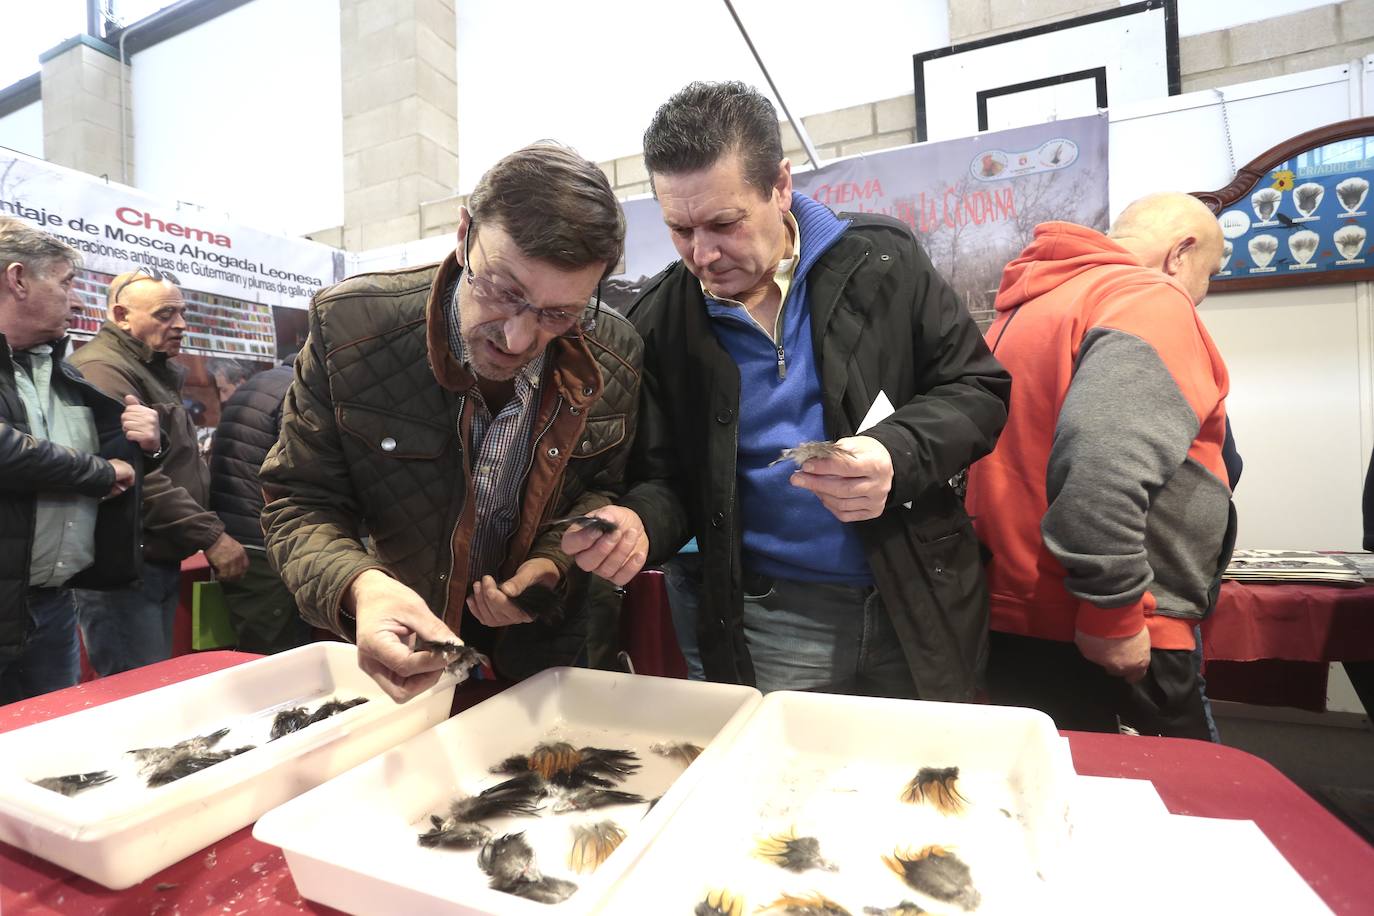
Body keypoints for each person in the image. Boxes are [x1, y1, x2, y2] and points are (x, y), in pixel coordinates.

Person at [563, 81, 1011, 699]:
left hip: (918, 588)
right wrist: (639, 520)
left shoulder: (883, 262)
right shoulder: (661, 321)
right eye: (679, 230)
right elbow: (668, 480)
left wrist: (895, 453)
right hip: (767, 620)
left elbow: (976, 389)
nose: (703, 253)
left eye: (724, 223)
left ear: (779, 186)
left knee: (924, 777)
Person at [260, 143, 641, 702]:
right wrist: (361, 588)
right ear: (465, 234)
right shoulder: (351, 327)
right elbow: (298, 499)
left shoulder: (615, 353)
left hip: (544, 655)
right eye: (503, 290)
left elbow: (602, 488)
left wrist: (552, 564)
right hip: (400, 649)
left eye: (559, 314)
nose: (517, 339)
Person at [965, 192, 1235, 739]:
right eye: (1208, 275)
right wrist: (1112, 614)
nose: (1200, 296)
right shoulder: (1147, 297)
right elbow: (1102, 463)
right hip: (1107, 621)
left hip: (1020, 611)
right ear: (1180, 253)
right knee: (1175, 806)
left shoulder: (1030, 307)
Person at [0, 218, 161, 701]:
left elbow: (120, 469)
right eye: (66, 282)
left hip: (52, 607)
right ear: (18, 279)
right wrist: (98, 472)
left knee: (54, 755)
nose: (77, 300)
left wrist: (146, 444)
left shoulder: (62, 376)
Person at [69, 267, 249, 675]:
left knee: (152, 682)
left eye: (182, 313)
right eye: (165, 314)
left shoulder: (150, 368)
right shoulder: (102, 370)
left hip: (151, 557)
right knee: (137, 691)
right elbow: (136, 477)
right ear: (121, 315)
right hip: (125, 566)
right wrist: (211, 535)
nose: (180, 325)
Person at [208, 353, 310, 654]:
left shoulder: (262, 383)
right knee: (278, 656)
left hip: (243, 536)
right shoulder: (296, 390)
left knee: (262, 651)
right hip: (268, 543)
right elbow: (298, 473)